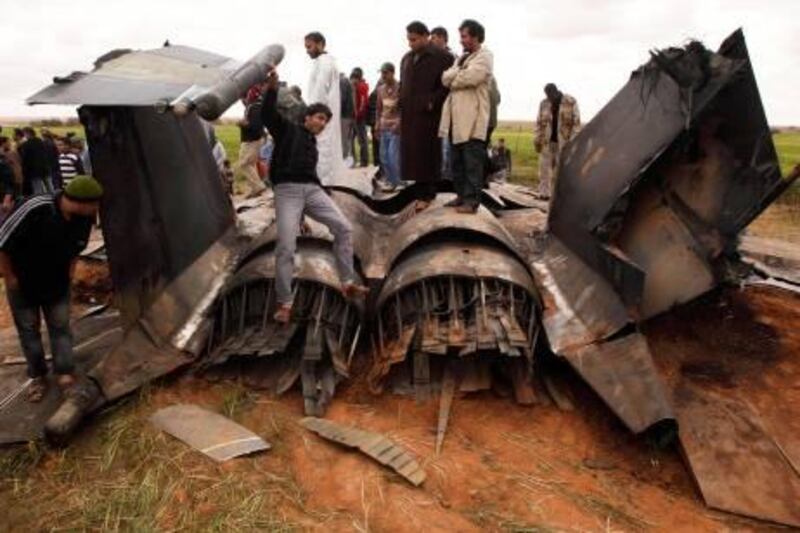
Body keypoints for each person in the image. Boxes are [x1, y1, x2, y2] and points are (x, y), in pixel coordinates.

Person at [260, 68, 367, 324]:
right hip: (287, 191)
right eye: (319, 118)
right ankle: (285, 303)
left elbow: (308, 174)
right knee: (286, 246)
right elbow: (267, 115)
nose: (321, 124)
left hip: (312, 191)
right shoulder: (287, 130)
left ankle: (347, 282)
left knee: (343, 228)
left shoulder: (312, 144)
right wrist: (272, 89)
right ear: (307, 117)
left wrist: (321, 195)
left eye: (325, 121)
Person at [0, 175, 103, 401]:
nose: (96, 209)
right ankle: (38, 376)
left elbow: (77, 248)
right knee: (29, 331)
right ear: (80, 202)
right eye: (94, 204)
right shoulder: (34, 207)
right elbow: (3, 241)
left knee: (60, 328)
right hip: (24, 283)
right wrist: (10, 278)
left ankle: (64, 373)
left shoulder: (83, 219)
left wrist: (70, 272)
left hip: (56, 283)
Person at [440, 19, 494, 214]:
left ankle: (471, 202)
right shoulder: (461, 59)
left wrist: (454, 78)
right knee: (457, 162)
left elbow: (472, 78)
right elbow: (444, 78)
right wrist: (456, 74)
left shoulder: (485, 56)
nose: (461, 40)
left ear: (475, 36)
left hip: (472, 119)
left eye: (464, 36)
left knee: (472, 163)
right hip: (456, 118)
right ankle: (461, 196)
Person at [400, 21, 455, 211]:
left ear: (425, 36)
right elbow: (404, 86)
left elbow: (447, 86)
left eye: (414, 39)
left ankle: (428, 194)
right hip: (409, 113)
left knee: (427, 154)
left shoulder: (443, 57)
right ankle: (418, 191)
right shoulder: (406, 58)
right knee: (413, 155)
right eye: (408, 39)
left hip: (429, 114)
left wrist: (433, 102)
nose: (410, 43)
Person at [305, 31, 346, 186]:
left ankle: (323, 186)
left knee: (322, 150)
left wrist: (312, 114)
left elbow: (320, 90)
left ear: (320, 44)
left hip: (321, 116)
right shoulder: (324, 62)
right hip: (324, 114)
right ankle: (323, 184)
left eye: (309, 46)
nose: (307, 50)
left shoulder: (325, 63)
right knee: (324, 149)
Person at [534, 83, 580, 198]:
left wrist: (572, 141)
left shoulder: (570, 102)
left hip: (564, 142)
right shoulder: (543, 104)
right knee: (544, 168)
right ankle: (544, 194)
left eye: (550, 94)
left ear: (556, 91)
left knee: (563, 170)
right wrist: (537, 139)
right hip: (547, 141)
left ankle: (561, 195)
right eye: (547, 95)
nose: (549, 97)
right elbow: (539, 123)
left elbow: (576, 124)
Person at [237, 85, 268, 198]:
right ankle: (256, 187)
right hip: (255, 139)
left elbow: (255, 126)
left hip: (252, 139)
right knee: (250, 164)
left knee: (244, 164)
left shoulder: (254, 107)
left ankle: (258, 186)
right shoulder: (257, 105)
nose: (242, 101)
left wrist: (243, 124)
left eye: (243, 98)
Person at [375, 63, 402, 191]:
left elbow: (405, 108)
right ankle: (391, 180)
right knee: (383, 157)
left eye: (385, 73)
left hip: (395, 128)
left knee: (392, 156)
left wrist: (399, 123)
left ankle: (395, 182)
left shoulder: (401, 87)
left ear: (392, 72)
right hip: (383, 126)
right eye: (382, 73)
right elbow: (378, 108)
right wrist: (377, 124)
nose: (383, 76)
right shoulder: (380, 89)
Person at [18, 128, 53, 196]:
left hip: (34, 171)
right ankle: (54, 201)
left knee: (38, 190)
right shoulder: (41, 142)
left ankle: (41, 204)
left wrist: (25, 170)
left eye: (25, 134)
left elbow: (25, 159)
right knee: (50, 188)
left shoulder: (26, 145)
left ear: (28, 134)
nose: (24, 136)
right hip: (45, 168)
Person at [350, 68, 370, 168]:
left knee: (362, 140)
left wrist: (358, 114)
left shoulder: (361, 86)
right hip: (355, 117)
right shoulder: (357, 86)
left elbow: (363, 102)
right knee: (351, 139)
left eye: (353, 78)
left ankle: (364, 161)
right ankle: (353, 160)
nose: (352, 81)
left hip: (359, 118)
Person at [367, 81, 382, 178]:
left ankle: (377, 165)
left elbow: (368, 108)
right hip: (378, 122)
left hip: (374, 123)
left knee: (376, 146)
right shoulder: (379, 94)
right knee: (380, 146)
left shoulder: (373, 93)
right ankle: (379, 167)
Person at [339, 73, 355, 165]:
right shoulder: (345, 81)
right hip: (348, 115)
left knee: (344, 139)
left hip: (344, 115)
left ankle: (344, 160)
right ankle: (347, 160)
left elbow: (342, 98)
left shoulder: (342, 81)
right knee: (347, 138)